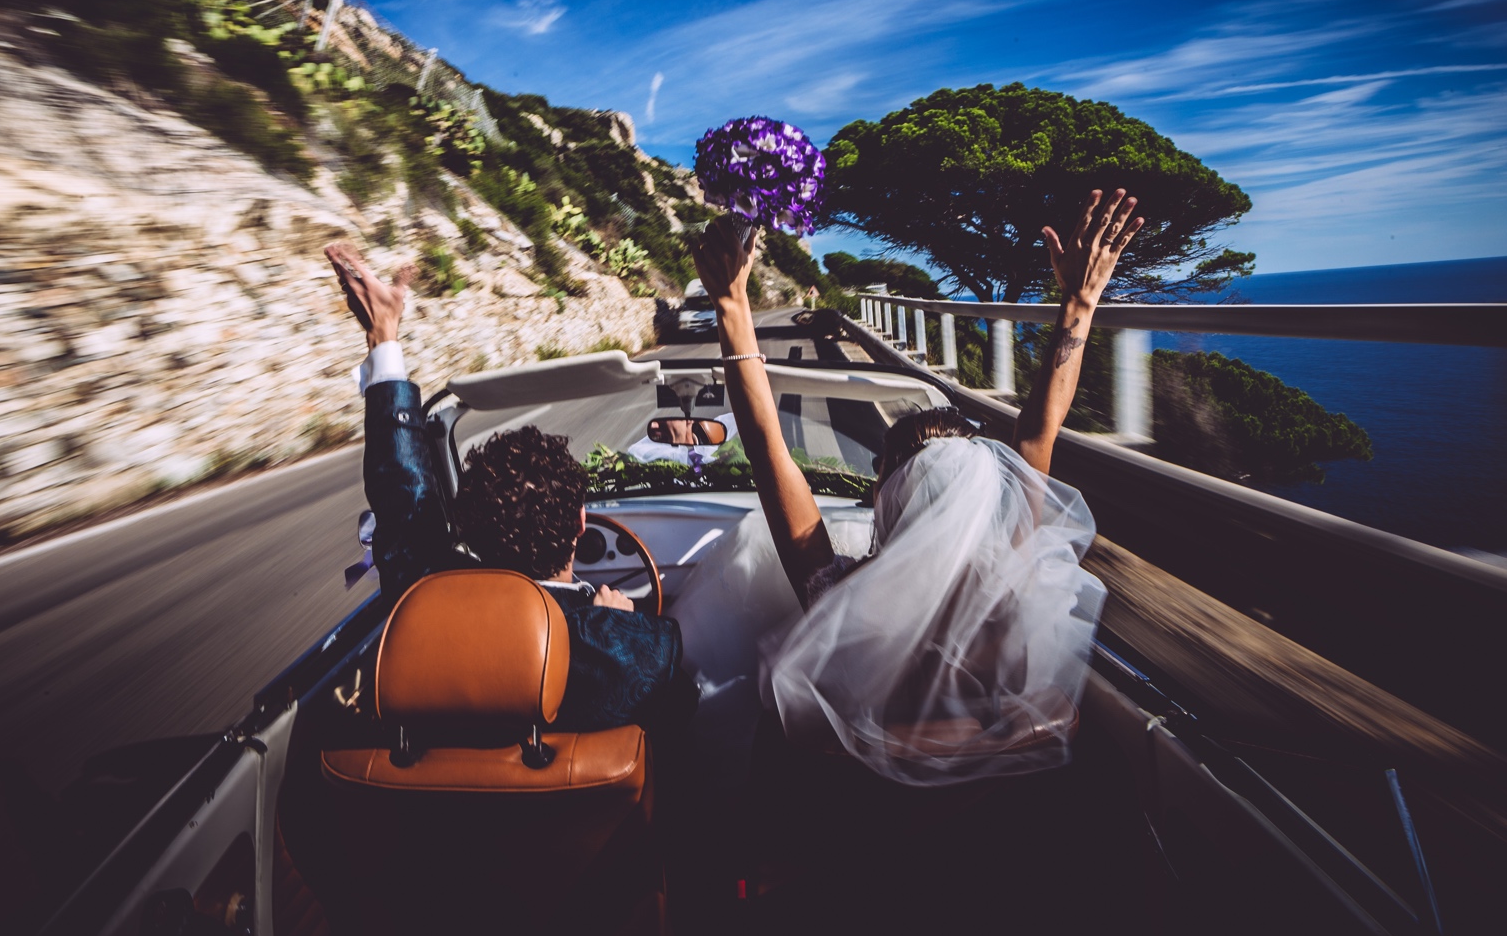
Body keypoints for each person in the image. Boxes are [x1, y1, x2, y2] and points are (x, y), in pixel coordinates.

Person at [672, 189, 1143, 785]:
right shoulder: (1014, 593)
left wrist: (732, 305)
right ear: (980, 495)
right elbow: (1037, 436)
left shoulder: (835, 600)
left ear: (885, 496)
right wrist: (1080, 300)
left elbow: (769, 453)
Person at [325, 240, 695, 733]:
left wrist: (383, 336)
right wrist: (619, 623)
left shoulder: (424, 599)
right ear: (581, 523)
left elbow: (402, 491)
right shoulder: (631, 649)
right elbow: (685, 716)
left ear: (469, 529)